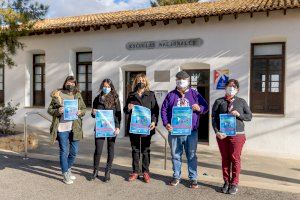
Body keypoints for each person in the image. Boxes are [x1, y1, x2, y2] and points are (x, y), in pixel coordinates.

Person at [161, 70, 208, 189]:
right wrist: (166, 123)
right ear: (176, 81)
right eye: (178, 80)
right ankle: (176, 176)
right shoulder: (171, 95)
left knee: (191, 155)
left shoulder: (195, 94)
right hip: (175, 131)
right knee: (175, 155)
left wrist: (199, 108)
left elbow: (206, 107)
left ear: (188, 81)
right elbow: (164, 110)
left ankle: (193, 178)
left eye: (183, 80)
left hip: (191, 131)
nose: (181, 82)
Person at [211, 79, 252, 195]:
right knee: (225, 158)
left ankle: (234, 183)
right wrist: (216, 131)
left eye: (233, 87)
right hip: (223, 135)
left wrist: (239, 114)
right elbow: (214, 118)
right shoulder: (219, 102)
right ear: (225, 88)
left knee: (235, 158)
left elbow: (249, 116)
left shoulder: (241, 102)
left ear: (237, 90)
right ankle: (226, 182)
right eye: (229, 86)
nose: (231, 88)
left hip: (237, 135)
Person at [48, 76, 86, 184]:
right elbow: (50, 109)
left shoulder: (77, 94)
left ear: (75, 84)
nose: (71, 84)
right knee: (64, 151)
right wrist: (58, 110)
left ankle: (68, 169)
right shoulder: (58, 94)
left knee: (74, 152)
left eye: (73, 83)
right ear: (65, 83)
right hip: (61, 127)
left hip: (75, 127)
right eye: (69, 82)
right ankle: (65, 173)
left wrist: (80, 112)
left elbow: (83, 109)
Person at [123, 73, 159, 183]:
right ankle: (135, 172)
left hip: (147, 127)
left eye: (143, 80)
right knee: (135, 149)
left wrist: (154, 121)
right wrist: (128, 108)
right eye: (139, 80)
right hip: (134, 127)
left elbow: (155, 110)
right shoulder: (131, 95)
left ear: (146, 82)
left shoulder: (151, 95)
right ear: (135, 82)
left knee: (145, 150)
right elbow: (125, 110)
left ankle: (145, 172)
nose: (141, 82)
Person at [89, 79, 121, 182]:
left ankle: (107, 172)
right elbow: (93, 114)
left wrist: (118, 127)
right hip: (100, 127)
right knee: (98, 150)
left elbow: (118, 115)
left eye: (108, 86)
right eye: (104, 86)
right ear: (102, 87)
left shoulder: (115, 99)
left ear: (111, 87)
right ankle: (95, 171)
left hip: (112, 128)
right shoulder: (97, 98)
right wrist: (93, 113)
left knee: (110, 150)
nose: (106, 88)